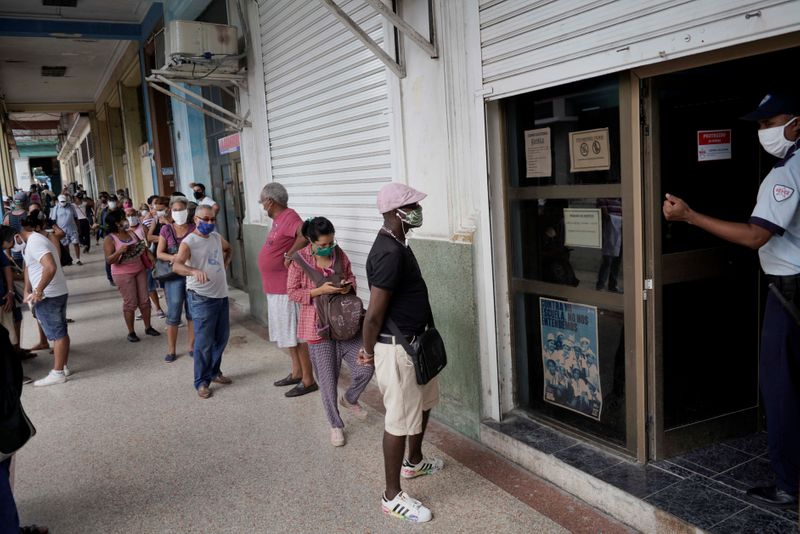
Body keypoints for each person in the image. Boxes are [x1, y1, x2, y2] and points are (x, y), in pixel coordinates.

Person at [663, 92, 800, 507]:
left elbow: (756, 235)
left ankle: (790, 484)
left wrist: (689, 216)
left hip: (790, 291)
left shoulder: (787, 173)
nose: (763, 132)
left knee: (781, 388)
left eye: (769, 122)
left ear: (797, 123)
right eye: (759, 125)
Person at [360, 183, 443, 523]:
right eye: (412, 205)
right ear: (396, 212)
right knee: (397, 421)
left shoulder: (399, 243)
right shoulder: (389, 253)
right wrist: (367, 352)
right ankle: (391, 496)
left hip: (417, 345)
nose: (418, 210)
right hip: (398, 351)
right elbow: (374, 314)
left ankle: (415, 461)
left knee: (423, 404)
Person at [287, 217, 372, 446]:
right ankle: (335, 425)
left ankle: (350, 398)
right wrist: (318, 291)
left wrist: (347, 285)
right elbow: (292, 293)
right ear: (311, 241)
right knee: (327, 382)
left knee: (365, 367)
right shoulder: (298, 261)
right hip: (317, 329)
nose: (328, 247)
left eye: (331, 242)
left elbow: (351, 276)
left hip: (345, 324)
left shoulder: (338, 254)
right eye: (323, 244)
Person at [257, 182, 316, 395]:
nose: (262, 207)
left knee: (297, 336)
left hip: (286, 289)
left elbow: (306, 233)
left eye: (262, 202)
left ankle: (309, 380)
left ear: (270, 201)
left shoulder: (290, 217)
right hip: (275, 289)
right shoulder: (278, 220)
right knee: (287, 334)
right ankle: (297, 372)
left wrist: (290, 254)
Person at [171, 205, 233, 399]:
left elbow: (228, 248)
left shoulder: (215, 237)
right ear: (195, 219)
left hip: (221, 295)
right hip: (201, 298)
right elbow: (176, 266)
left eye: (212, 219)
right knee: (204, 343)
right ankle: (201, 382)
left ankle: (214, 372)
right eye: (205, 219)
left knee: (221, 338)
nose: (209, 223)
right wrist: (193, 271)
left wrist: (224, 264)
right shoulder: (189, 242)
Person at [19, 210, 71, 387]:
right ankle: (62, 366)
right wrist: (27, 290)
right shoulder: (32, 242)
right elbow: (28, 267)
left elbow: (50, 267)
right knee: (60, 331)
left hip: (50, 294)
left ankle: (57, 373)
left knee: (58, 334)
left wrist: (38, 290)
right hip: (55, 292)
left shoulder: (35, 243)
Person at [103, 209, 160, 343]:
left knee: (145, 300)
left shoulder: (131, 233)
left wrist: (150, 257)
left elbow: (142, 246)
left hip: (139, 269)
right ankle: (131, 332)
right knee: (130, 302)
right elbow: (109, 260)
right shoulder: (110, 239)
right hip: (123, 274)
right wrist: (120, 252)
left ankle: (148, 327)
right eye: (123, 218)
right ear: (117, 223)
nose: (126, 220)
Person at [156, 196, 196, 363]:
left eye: (182, 209)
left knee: (192, 311)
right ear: (171, 212)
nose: (179, 213)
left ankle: (192, 346)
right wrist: (175, 257)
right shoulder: (166, 230)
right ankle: (171, 349)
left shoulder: (194, 228)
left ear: (187, 211)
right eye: (175, 210)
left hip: (192, 274)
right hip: (174, 276)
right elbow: (159, 253)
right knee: (173, 311)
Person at [127, 207, 165, 319]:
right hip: (132, 262)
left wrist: (151, 258)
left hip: (145, 260)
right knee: (137, 288)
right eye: (128, 215)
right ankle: (143, 309)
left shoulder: (142, 227)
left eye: (132, 214)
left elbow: (148, 243)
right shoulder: (125, 230)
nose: (131, 217)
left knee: (150, 286)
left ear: (137, 215)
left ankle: (158, 308)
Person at [50, 194, 82, 266]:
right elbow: (53, 221)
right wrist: (57, 230)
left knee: (76, 243)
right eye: (61, 201)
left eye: (64, 201)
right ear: (58, 201)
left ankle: (78, 259)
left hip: (72, 228)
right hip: (62, 230)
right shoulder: (56, 208)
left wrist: (78, 228)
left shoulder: (71, 207)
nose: (63, 202)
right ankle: (69, 260)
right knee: (65, 245)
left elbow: (76, 218)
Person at [3, 192, 28, 268]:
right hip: (28, 253)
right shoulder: (28, 215)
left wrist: (9, 256)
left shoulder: (7, 217)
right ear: (26, 202)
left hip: (15, 254)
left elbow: (5, 238)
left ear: (14, 202)